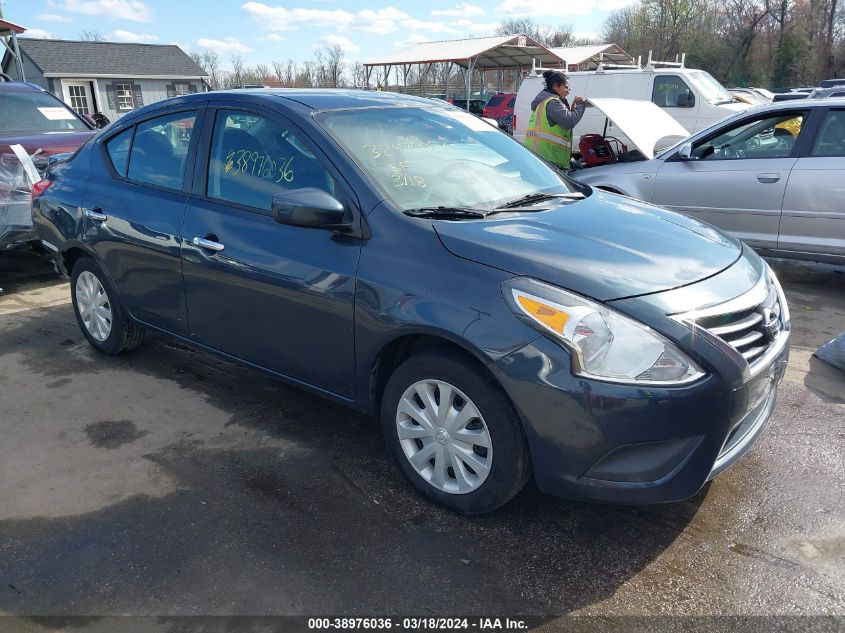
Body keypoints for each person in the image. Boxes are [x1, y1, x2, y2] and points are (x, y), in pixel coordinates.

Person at [524, 70, 585, 171]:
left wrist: (572, 109)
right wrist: (580, 104)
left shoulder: (545, 101)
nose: (568, 90)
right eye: (566, 87)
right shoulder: (552, 103)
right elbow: (569, 122)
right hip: (549, 159)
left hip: (541, 157)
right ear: (555, 86)